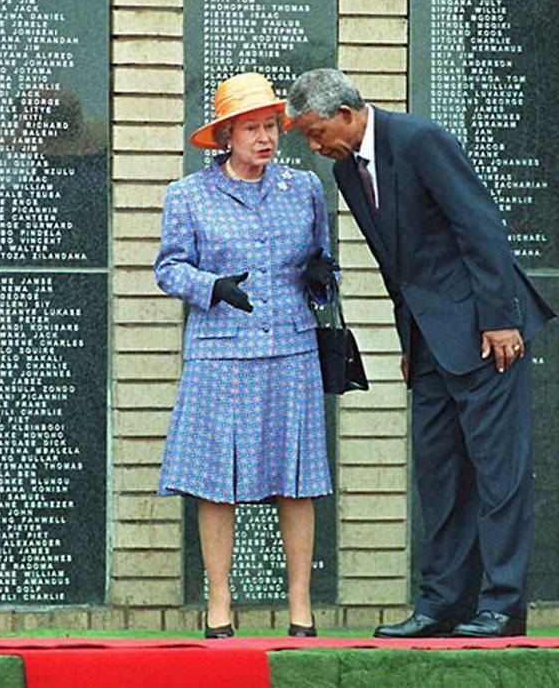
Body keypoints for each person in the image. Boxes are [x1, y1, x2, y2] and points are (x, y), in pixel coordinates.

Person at [287, 68, 556, 638]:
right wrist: (408, 340)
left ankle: (502, 605)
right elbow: (397, 266)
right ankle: (443, 604)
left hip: (485, 333)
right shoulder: (346, 170)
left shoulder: (420, 140)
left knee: (499, 475)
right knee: (440, 477)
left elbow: (479, 227)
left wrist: (501, 318)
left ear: (345, 114)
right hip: (429, 343)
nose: (313, 147)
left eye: (315, 133)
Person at [154, 72, 336, 638]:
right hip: (221, 353)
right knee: (217, 479)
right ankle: (219, 604)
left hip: (291, 348)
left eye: (272, 127)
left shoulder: (304, 188)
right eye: (252, 128)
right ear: (226, 135)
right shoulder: (189, 194)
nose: (265, 138)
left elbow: (324, 267)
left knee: (297, 478)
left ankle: (301, 607)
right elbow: (168, 268)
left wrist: (321, 278)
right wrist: (211, 287)